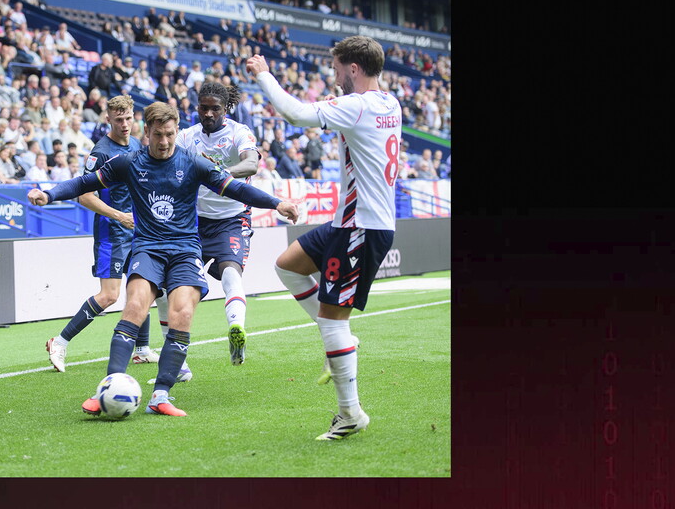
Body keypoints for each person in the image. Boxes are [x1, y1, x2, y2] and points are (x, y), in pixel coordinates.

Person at [28, 102, 299, 417]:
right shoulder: (129, 163)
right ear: (147, 131)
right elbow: (83, 184)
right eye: (158, 135)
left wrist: (277, 203)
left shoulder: (194, 163)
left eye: (170, 134)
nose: (165, 142)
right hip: (148, 247)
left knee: (181, 314)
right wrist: (48, 195)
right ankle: (109, 386)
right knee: (134, 307)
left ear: (176, 132)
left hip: (185, 250)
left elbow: (236, 189)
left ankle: (160, 396)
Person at [247, 35, 399, 441]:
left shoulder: (357, 105)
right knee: (289, 267)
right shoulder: (390, 102)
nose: (334, 76)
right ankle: (342, 339)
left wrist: (263, 75)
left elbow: (295, 114)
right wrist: (340, 100)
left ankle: (350, 414)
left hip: (361, 227)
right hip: (352, 221)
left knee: (333, 321)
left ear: (353, 69)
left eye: (336, 69)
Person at [40, 95, 160, 375]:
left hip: (136, 229)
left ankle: (141, 350)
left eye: (129, 118)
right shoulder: (101, 152)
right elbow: (84, 196)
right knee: (109, 296)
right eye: (119, 120)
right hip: (112, 231)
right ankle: (59, 342)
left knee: (144, 286)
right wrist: (119, 216)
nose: (125, 124)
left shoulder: (135, 145)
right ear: (108, 119)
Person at [174, 81, 259, 366]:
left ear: (226, 109)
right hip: (194, 220)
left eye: (215, 109)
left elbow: (251, 164)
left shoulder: (239, 132)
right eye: (203, 108)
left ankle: (236, 328)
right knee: (175, 283)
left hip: (232, 217)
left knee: (231, 272)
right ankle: (177, 357)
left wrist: (218, 173)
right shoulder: (187, 136)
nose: (208, 114)